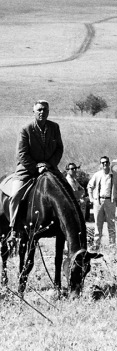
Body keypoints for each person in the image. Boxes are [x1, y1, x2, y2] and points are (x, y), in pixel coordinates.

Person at [8, 100, 64, 244]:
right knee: (15, 195)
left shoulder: (54, 127)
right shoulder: (25, 129)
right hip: (27, 169)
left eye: (45, 109)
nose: (42, 112)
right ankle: (13, 228)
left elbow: (59, 149)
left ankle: (68, 223)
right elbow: (21, 154)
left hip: (49, 168)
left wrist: (49, 164)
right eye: (39, 109)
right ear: (33, 112)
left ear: (48, 111)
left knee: (66, 190)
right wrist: (36, 167)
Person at [87, 156, 117, 250]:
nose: (105, 164)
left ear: (109, 163)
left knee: (111, 223)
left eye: (106, 162)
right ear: (100, 165)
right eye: (102, 163)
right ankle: (96, 244)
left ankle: (112, 245)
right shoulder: (97, 175)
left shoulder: (116, 175)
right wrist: (91, 198)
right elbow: (90, 186)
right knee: (98, 224)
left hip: (110, 201)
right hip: (98, 201)